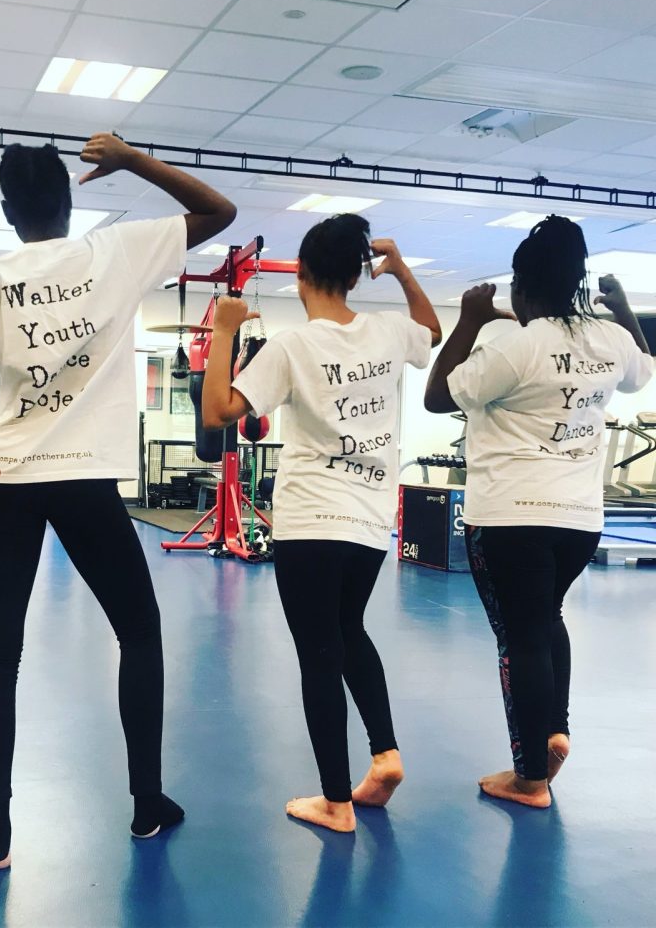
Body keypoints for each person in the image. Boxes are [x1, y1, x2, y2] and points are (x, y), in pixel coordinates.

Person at [0, 132, 236, 868]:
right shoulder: (114, 252)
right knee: (140, 633)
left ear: (8, 208)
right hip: (86, 480)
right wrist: (132, 161)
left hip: (5, 482)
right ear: (68, 198)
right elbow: (219, 209)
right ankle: (146, 804)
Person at [202, 214, 441, 833]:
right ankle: (384, 754)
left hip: (310, 521)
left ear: (302, 274)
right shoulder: (388, 332)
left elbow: (219, 411)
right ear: (358, 276)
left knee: (318, 653)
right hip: (366, 524)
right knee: (349, 630)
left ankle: (336, 802)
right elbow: (432, 331)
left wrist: (224, 330)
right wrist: (404, 269)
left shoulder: (293, 346)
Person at [424, 215, 653, 807]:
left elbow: (437, 394)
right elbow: (642, 368)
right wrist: (622, 306)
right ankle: (555, 731)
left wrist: (469, 321)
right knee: (545, 619)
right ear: (576, 280)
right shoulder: (609, 340)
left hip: (509, 517)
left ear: (522, 286)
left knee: (519, 639)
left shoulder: (517, 346)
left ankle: (529, 778)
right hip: (578, 521)